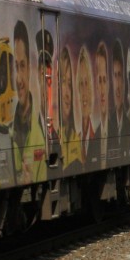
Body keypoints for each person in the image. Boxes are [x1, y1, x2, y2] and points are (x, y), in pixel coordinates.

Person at [12, 20, 46, 183]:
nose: (18, 79)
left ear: (30, 69)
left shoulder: (38, 136)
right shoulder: (8, 131)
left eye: (23, 66)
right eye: (16, 66)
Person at [57, 45, 82, 175]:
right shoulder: (53, 136)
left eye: (69, 84)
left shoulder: (77, 140)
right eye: (63, 82)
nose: (67, 93)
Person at [108, 39, 130, 164]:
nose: (118, 85)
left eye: (120, 75)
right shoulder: (106, 125)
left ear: (124, 80)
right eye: (115, 75)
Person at [76, 45, 100, 169]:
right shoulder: (76, 140)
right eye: (81, 84)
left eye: (87, 83)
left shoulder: (98, 135)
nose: (84, 92)